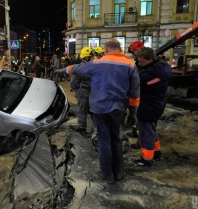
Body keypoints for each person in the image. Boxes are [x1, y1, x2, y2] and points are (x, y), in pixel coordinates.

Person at [55, 38, 140, 184]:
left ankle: (107, 175)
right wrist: (133, 111)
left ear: (106, 49)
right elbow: (135, 90)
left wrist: (61, 70)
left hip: (100, 108)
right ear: (119, 49)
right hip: (119, 108)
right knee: (117, 140)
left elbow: (76, 68)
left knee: (104, 141)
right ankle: (119, 173)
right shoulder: (131, 64)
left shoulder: (97, 63)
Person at [132, 47, 172, 167]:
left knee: (146, 131)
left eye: (141, 61)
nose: (139, 63)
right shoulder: (162, 66)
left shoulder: (149, 75)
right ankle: (157, 152)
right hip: (158, 102)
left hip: (150, 105)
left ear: (150, 60)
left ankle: (146, 159)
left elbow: (138, 86)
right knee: (151, 128)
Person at [69, 47, 93, 138]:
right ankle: (81, 128)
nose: (91, 58)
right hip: (84, 92)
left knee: (93, 111)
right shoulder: (79, 68)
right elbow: (73, 83)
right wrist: (79, 92)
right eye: (89, 57)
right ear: (84, 58)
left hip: (93, 92)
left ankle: (97, 128)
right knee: (83, 110)